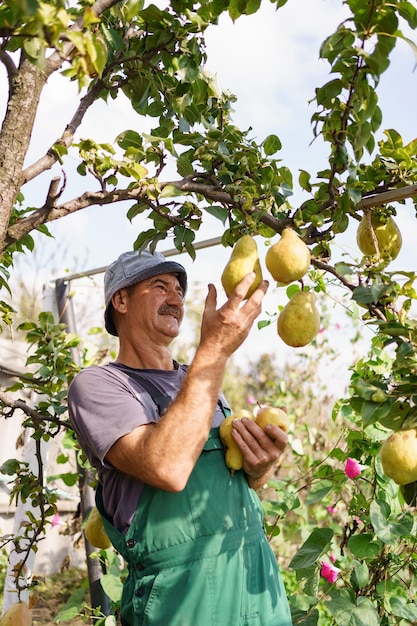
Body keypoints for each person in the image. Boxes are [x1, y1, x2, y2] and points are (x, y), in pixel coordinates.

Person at [68, 248, 292, 626]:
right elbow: (167, 467)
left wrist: (262, 466)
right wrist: (216, 349)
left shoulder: (203, 383)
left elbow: (241, 483)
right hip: (184, 603)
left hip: (255, 584)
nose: (176, 299)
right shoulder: (98, 386)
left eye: (178, 290)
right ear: (119, 300)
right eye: (160, 286)